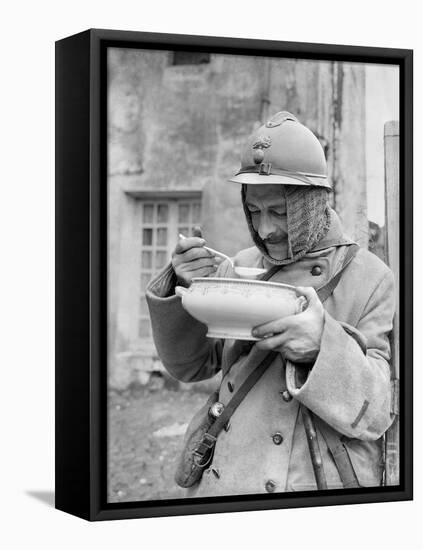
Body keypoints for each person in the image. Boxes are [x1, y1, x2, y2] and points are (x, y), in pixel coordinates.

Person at [145, 111, 396, 497]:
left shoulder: (370, 277)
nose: (265, 230)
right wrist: (182, 285)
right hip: (226, 484)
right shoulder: (242, 265)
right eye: (254, 212)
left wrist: (321, 347)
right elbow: (191, 366)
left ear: (312, 203)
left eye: (280, 212)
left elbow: (377, 412)